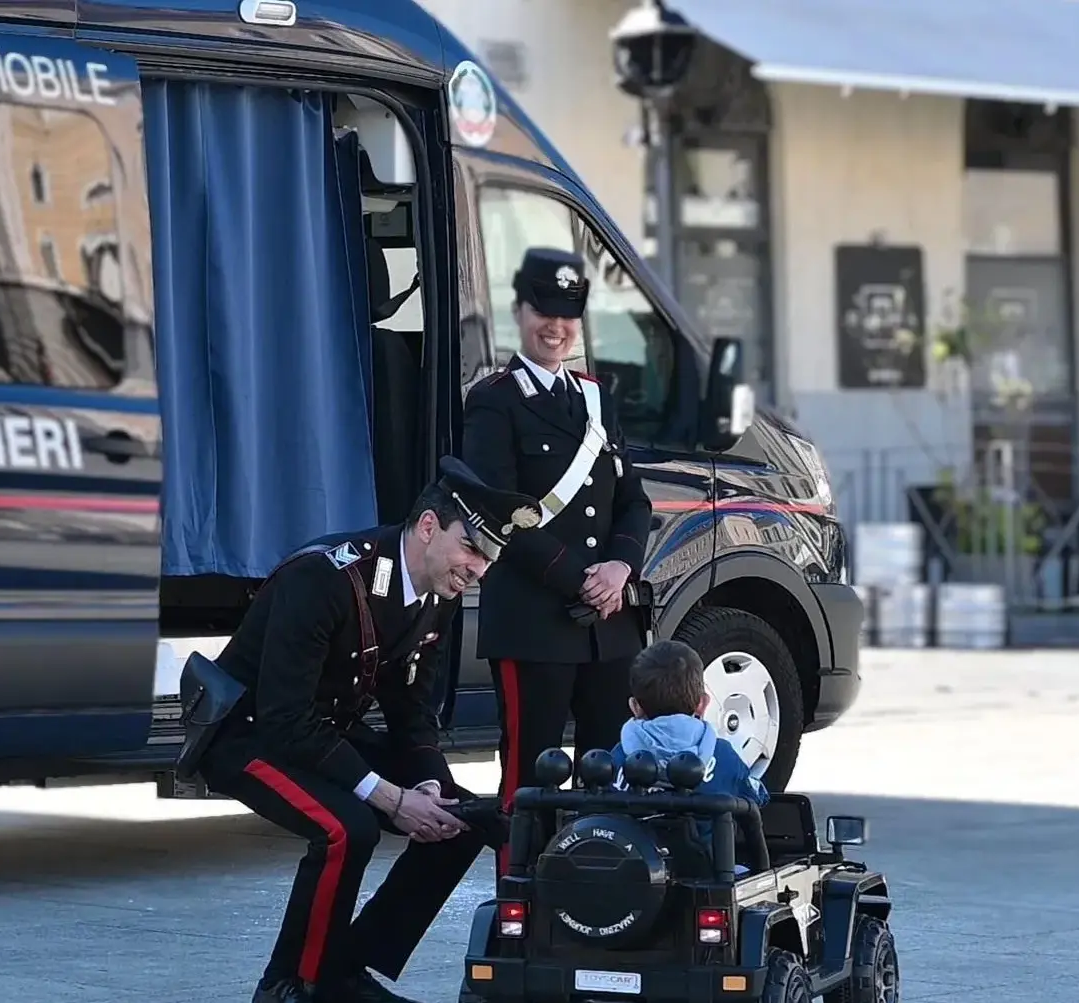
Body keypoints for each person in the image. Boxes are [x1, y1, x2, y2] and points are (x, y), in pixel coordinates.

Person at [196, 456, 542, 1003]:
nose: (478, 570)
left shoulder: (436, 594)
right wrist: (388, 797)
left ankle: (344, 970)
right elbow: (284, 720)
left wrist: (428, 785)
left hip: (320, 733)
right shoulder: (326, 579)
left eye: (489, 559)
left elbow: (411, 708)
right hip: (249, 736)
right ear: (428, 526)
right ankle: (292, 985)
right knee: (346, 828)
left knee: (462, 817)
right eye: (472, 548)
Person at [460, 246, 654, 872]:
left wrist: (620, 568)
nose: (556, 326)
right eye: (544, 309)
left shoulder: (597, 398)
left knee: (613, 778)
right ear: (519, 311)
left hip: (609, 627)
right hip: (535, 621)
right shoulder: (494, 401)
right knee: (528, 780)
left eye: (569, 313)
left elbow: (633, 501)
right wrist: (584, 577)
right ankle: (520, 907)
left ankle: (603, 898)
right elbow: (500, 511)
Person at [609, 639, 769, 807]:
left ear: (635, 707)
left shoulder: (619, 757)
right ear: (703, 704)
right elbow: (757, 798)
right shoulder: (724, 756)